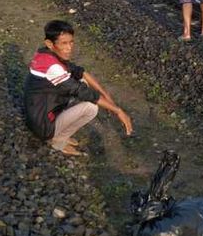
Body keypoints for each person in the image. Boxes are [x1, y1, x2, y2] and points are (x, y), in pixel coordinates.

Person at [23, 20, 133, 156]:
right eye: (64, 43)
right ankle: (58, 141)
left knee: (81, 81)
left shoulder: (46, 54)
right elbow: (82, 92)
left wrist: (106, 95)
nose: (69, 48)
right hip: (43, 125)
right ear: (49, 44)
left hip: (42, 109)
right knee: (90, 108)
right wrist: (118, 110)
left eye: (71, 42)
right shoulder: (53, 67)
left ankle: (60, 134)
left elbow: (81, 72)